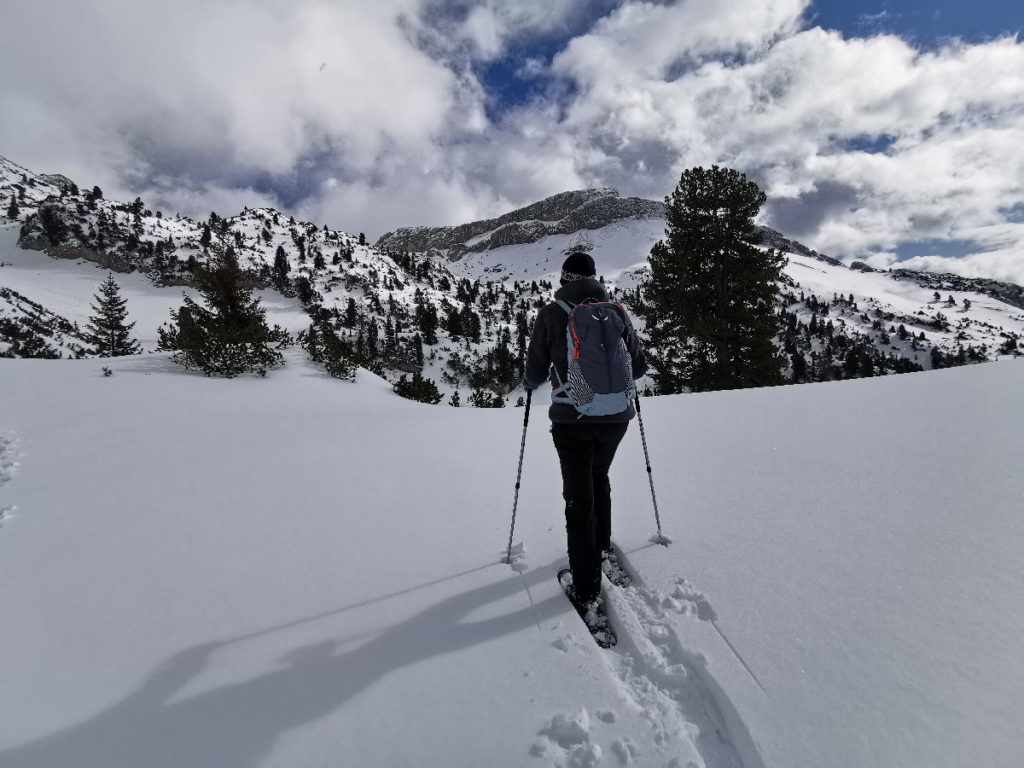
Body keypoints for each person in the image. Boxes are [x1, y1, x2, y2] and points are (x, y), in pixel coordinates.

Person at [522, 250, 647, 606]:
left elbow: (533, 373)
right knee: (599, 477)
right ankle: (602, 547)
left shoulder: (550, 314)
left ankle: (587, 586)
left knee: (578, 498)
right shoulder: (616, 313)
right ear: (596, 279)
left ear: (564, 279)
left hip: (571, 420)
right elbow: (637, 369)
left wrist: (536, 378)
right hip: (616, 419)